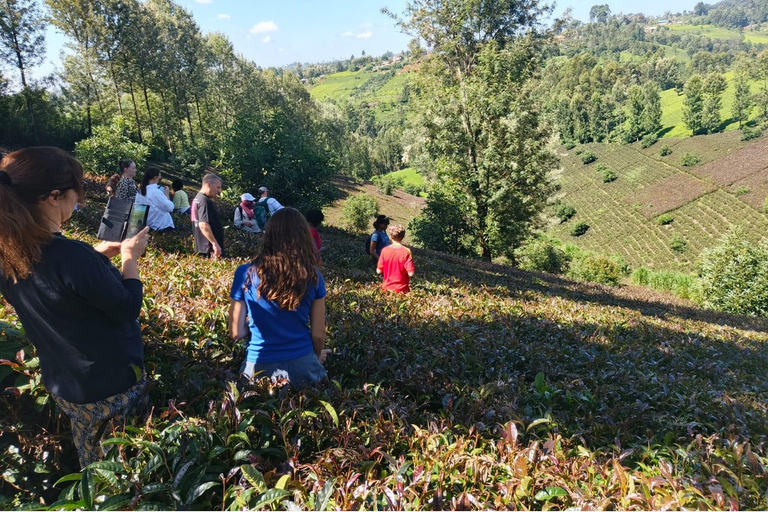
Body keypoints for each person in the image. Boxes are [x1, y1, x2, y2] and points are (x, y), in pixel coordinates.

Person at [0, 147, 150, 469]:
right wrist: (130, 258)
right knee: (123, 472)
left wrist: (95, 257)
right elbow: (126, 308)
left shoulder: (10, 254)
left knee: (92, 464)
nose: (77, 201)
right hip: (110, 386)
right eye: (75, 193)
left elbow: (55, 282)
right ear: (54, 196)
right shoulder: (71, 257)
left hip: (67, 385)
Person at [228, 208, 330, 387]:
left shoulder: (245, 273)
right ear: (303, 237)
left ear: (268, 236)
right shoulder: (314, 276)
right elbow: (318, 334)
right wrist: (314, 357)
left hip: (258, 367)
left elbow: (236, 332)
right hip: (303, 363)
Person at [191, 173, 224, 258]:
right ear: (209, 185)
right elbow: (203, 224)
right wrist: (214, 244)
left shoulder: (197, 199)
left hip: (201, 247)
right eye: (218, 187)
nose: (219, 191)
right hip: (209, 250)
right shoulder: (204, 201)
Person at [376, 223, 415, 293]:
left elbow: (379, 271)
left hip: (386, 289)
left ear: (390, 237)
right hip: (402, 290)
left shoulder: (384, 250)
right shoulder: (406, 252)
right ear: (403, 237)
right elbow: (411, 273)